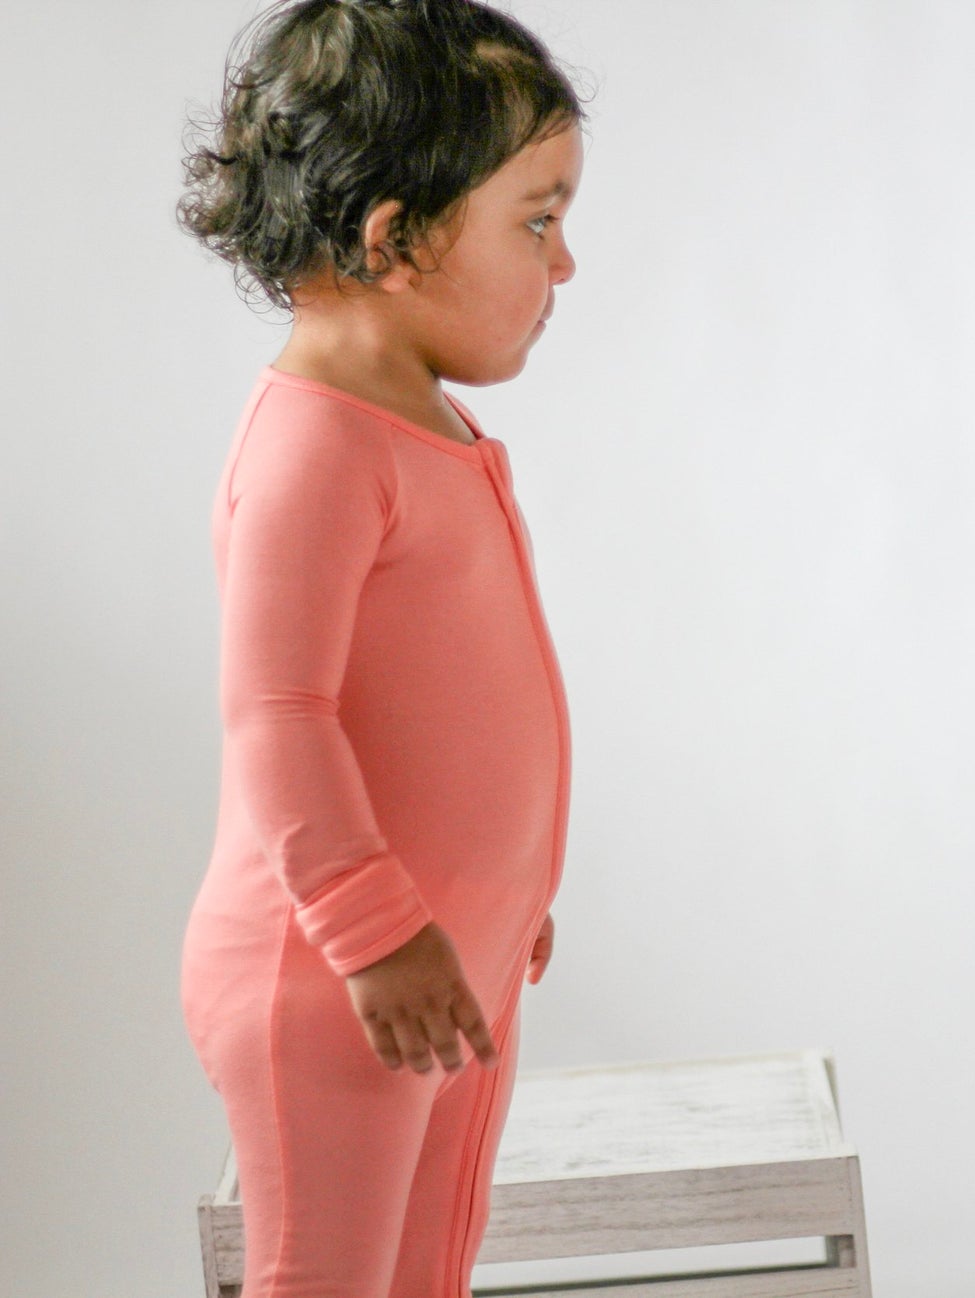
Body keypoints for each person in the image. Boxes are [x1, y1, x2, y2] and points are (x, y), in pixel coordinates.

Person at [176, 3, 584, 1293]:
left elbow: (444, 707)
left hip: (447, 954)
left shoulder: (427, 425)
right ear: (394, 236)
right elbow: (277, 714)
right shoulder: (313, 446)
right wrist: (371, 929)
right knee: (329, 1276)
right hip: (336, 973)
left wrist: (503, 893)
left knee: (427, 1267)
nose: (564, 262)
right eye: (537, 218)